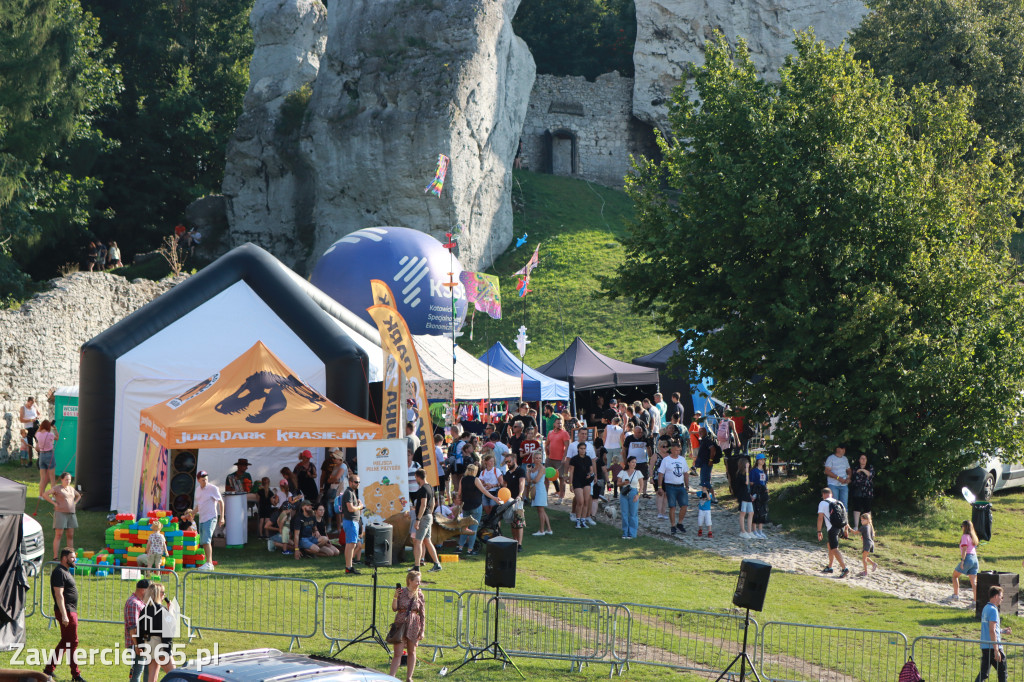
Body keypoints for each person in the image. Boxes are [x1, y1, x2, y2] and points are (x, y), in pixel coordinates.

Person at [45, 549, 84, 681]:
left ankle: (48, 670)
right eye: (72, 558)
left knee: (66, 641)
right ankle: (76, 674)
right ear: (64, 558)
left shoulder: (65, 571)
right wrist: (64, 615)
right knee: (72, 642)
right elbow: (58, 594)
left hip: (69, 610)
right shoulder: (59, 572)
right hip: (66, 611)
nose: (75, 560)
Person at [389, 570, 427, 682]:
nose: (419, 584)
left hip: (414, 625)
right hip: (400, 624)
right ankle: (391, 677)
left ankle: (409, 677)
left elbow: (423, 614)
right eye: (417, 581)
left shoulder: (420, 594)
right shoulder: (402, 592)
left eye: (419, 581)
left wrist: (422, 630)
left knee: (412, 651)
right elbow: (394, 608)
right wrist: (395, 597)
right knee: (398, 653)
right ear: (410, 581)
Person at [456, 464, 498, 556]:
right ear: (474, 471)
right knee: (473, 529)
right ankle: (470, 550)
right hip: (476, 506)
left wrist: (459, 500)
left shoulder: (462, 479)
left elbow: (459, 493)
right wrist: (494, 498)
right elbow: (484, 491)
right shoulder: (476, 479)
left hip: (466, 506)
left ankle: (460, 548)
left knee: (464, 528)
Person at [138, 582, 176, 682]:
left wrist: (140, 645)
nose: (164, 595)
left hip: (149, 644)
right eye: (163, 593)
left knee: (153, 675)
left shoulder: (144, 610)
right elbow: (169, 629)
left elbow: (140, 629)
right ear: (158, 594)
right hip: (161, 645)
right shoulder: (162, 610)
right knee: (175, 675)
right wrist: (171, 612)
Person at [977, 586, 1011, 682]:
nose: (1002, 599)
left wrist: (1003, 631)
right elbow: (992, 630)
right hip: (994, 647)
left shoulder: (986, 608)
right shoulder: (993, 610)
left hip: (985, 646)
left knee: (983, 674)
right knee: (1003, 673)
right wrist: (996, 649)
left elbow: (992, 629)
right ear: (996, 596)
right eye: (1001, 596)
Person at [411, 470, 442, 572]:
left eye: (415, 477)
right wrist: (430, 514)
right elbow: (432, 504)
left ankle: (417, 566)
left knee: (418, 542)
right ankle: (437, 564)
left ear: (417, 477)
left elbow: (423, 505)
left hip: (424, 518)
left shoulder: (423, 489)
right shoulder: (430, 487)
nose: (415, 479)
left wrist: (418, 520)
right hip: (428, 516)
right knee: (427, 541)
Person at [193, 470, 224, 572]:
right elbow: (199, 505)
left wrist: (222, 517)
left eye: (206, 479)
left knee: (206, 541)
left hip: (211, 517)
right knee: (204, 541)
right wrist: (192, 513)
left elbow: (221, 502)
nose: (205, 481)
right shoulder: (198, 490)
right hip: (202, 518)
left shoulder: (213, 488)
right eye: (203, 480)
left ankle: (209, 564)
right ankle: (208, 563)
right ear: (198, 480)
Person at [658, 437, 689, 534]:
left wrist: (687, 485)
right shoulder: (666, 460)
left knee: (684, 505)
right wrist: (660, 487)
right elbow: (661, 474)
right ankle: (672, 525)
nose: (677, 452)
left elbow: (686, 473)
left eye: (679, 450)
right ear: (671, 450)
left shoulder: (682, 459)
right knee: (672, 506)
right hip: (670, 486)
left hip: (680, 485)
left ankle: (680, 523)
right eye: (676, 450)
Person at [46, 472, 81, 560]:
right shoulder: (57, 488)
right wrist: (54, 503)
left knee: (70, 535)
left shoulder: (71, 489)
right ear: (62, 479)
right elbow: (45, 494)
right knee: (59, 534)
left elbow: (78, 496)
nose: (68, 481)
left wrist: (75, 503)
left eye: (69, 479)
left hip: (71, 514)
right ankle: (55, 556)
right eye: (66, 479)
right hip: (60, 513)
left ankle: (70, 555)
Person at [816, 488, 849, 577]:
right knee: (829, 544)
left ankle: (844, 568)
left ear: (823, 495)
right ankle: (830, 566)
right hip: (840, 526)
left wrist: (819, 531)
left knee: (834, 548)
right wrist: (846, 529)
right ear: (831, 494)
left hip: (832, 528)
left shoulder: (823, 503)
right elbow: (845, 516)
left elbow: (820, 518)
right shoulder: (839, 502)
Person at [124, 578, 151, 682]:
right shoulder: (133, 603)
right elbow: (133, 628)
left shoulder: (141, 602)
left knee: (147, 671)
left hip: (142, 643)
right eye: (150, 591)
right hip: (136, 644)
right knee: (136, 673)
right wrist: (137, 645)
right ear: (143, 590)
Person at [503, 452, 528, 549]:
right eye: (506, 462)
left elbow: (522, 483)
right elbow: (504, 485)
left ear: (514, 460)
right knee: (512, 523)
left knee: (519, 522)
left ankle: (520, 544)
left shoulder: (520, 471)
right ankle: (515, 541)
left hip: (517, 500)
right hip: (509, 500)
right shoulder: (507, 473)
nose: (508, 464)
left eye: (509, 461)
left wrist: (520, 495)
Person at [952, 519, 981, 602]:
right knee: (974, 582)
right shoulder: (974, 537)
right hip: (975, 559)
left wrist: (962, 561)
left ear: (964, 527)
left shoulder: (965, 536)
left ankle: (956, 595)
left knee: (955, 576)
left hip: (968, 558)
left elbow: (964, 549)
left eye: (962, 526)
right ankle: (975, 600)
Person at [568, 442, 594, 530]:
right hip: (577, 481)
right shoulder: (574, 459)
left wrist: (591, 474)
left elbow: (591, 470)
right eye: (581, 448)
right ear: (578, 449)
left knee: (586, 501)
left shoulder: (588, 458)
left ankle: (583, 520)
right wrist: (571, 484)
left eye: (584, 448)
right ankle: (577, 520)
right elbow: (571, 471)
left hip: (586, 481)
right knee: (580, 501)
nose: (583, 450)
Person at [342, 475, 365, 574]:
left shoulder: (351, 492)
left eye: (359, 482)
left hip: (352, 521)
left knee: (350, 544)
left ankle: (349, 566)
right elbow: (350, 508)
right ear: (350, 482)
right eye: (356, 482)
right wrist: (359, 506)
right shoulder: (348, 493)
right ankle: (349, 567)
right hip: (351, 521)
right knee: (351, 544)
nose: (358, 484)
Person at [545, 417, 571, 502]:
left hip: (560, 460)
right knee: (546, 477)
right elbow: (547, 444)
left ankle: (561, 497)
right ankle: (544, 495)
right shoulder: (550, 433)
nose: (559, 425)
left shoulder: (565, 433)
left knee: (561, 478)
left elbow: (567, 446)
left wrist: (564, 457)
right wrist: (547, 453)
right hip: (550, 459)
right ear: (554, 424)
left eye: (561, 423)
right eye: (558, 423)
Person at [622, 425, 652, 497]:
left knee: (644, 477)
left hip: (643, 461)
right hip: (631, 461)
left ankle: (644, 492)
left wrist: (650, 458)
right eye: (638, 432)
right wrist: (625, 460)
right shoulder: (629, 438)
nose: (640, 434)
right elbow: (624, 450)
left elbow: (648, 448)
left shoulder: (644, 438)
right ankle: (629, 490)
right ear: (634, 432)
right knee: (629, 476)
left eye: (641, 432)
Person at [617, 456, 643, 539]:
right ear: (628, 463)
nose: (634, 464)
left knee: (633, 513)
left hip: (633, 492)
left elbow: (642, 485)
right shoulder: (622, 472)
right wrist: (624, 483)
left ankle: (632, 533)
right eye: (632, 462)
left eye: (635, 462)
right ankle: (625, 532)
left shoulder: (638, 472)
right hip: (624, 492)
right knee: (624, 513)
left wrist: (638, 495)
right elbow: (618, 483)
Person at [848, 454, 874, 530]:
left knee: (867, 508)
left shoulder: (870, 467)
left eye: (865, 458)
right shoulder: (855, 468)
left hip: (867, 491)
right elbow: (853, 477)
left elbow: (870, 475)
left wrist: (862, 470)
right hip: (857, 490)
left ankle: (869, 526)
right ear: (859, 460)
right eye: (861, 458)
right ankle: (856, 526)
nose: (863, 460)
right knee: (857, 507)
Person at [35, 419, 58, 498]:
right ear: (48, 426)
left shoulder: (38, 434)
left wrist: (40, 427)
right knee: (52, 478)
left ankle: (41, 495)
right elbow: (57, 437)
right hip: (49, 454)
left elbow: (36, 433)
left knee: (42, 478)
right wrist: (54, 428)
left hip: (41, 455)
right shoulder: (50, 434)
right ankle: (53, 496)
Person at [824, 444, 851, 510]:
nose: (844, 450)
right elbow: (827, 471)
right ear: (837, 449)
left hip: (844, 484)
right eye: (842, 448)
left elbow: (849, 470)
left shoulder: (845, 459)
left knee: (844, 505)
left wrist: (848, 478)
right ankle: (835, 519)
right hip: (833, 485)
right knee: (834, 504)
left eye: (844, 448)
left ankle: (844, 519)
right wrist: (838, 478)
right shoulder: (831, 458)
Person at [529, 462, 552, 536]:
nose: (538, 460)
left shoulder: (542, 468)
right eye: (536, 458)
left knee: (541, 510)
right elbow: (528, 479)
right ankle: (549, 529)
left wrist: (530, 480)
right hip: (535, 490)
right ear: (533, 459)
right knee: (541, 510)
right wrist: (527, 471)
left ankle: (542, 530)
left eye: (539, 458)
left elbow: (536, 480)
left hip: (540, 490)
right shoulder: (532, 469)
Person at [750, 454, 769, 539]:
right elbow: (751, 482)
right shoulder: (754, 471)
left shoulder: (764, 471)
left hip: (763, 493)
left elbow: (765, 482)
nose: (763, 461)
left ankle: (760, 530)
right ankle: (754, 530)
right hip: (756, 492)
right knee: (755, 511)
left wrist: (766, 488)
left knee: (762, 511)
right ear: (757, 460)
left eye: (764, 460)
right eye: (761, 460)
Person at [736, 458, 756, 539]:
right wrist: (747, 471)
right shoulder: (740, 474)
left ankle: (749, 531)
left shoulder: (745, 474)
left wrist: (750, 495)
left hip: (747, 496)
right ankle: (743, 531)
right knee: (743, 513)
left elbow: (748, 486)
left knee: (751, 512)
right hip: (742, 496)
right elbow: (746, 482)